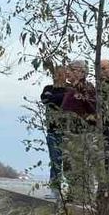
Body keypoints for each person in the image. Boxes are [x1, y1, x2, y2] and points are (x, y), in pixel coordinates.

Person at [40, 65, 70, 195]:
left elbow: (69, 101)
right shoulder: (48, 88)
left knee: (68, 161)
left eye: (61, 73)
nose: (58, 76)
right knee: (55, 159)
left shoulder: (71, 89)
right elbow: (46, 99)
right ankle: (55, 188)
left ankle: (70, 190)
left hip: (68, 131)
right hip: (52, 130)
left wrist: (56, 98)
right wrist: (63, 97)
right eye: (56, 74)